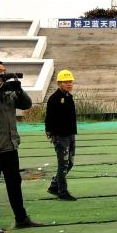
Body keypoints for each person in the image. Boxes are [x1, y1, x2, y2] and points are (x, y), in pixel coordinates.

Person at [0, 61, 43, 230]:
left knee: (14, 184)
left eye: (4, 71)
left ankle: (21, 218)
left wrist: (19, 90)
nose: (3, 74)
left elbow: (27, 104)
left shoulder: (10, 92)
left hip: (10, 146)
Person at [45, 69, 78, 201]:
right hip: (60, 136)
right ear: (59, 83)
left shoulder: (69, 97)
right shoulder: (54, 98)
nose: (69, 84)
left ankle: (54, 186)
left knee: (70, 163)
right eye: (66, 82)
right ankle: (62, 192)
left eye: (70, 81)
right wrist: (50, 132)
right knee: (63, 164)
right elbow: (49, 117)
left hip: (70, 134)